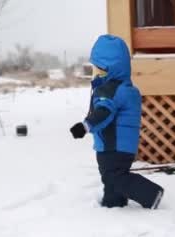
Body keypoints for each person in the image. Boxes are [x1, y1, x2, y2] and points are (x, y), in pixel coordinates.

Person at [70, 35, 164, 209]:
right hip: (119, 145)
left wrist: (85, 126)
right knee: (111, 177)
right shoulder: (124, 89)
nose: (96, 73)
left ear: (111, 69)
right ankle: (113, 204)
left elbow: (104, 113)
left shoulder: (112, 90)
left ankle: (151, 194)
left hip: (113, 146)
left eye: (100, 70)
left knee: (114, 177)